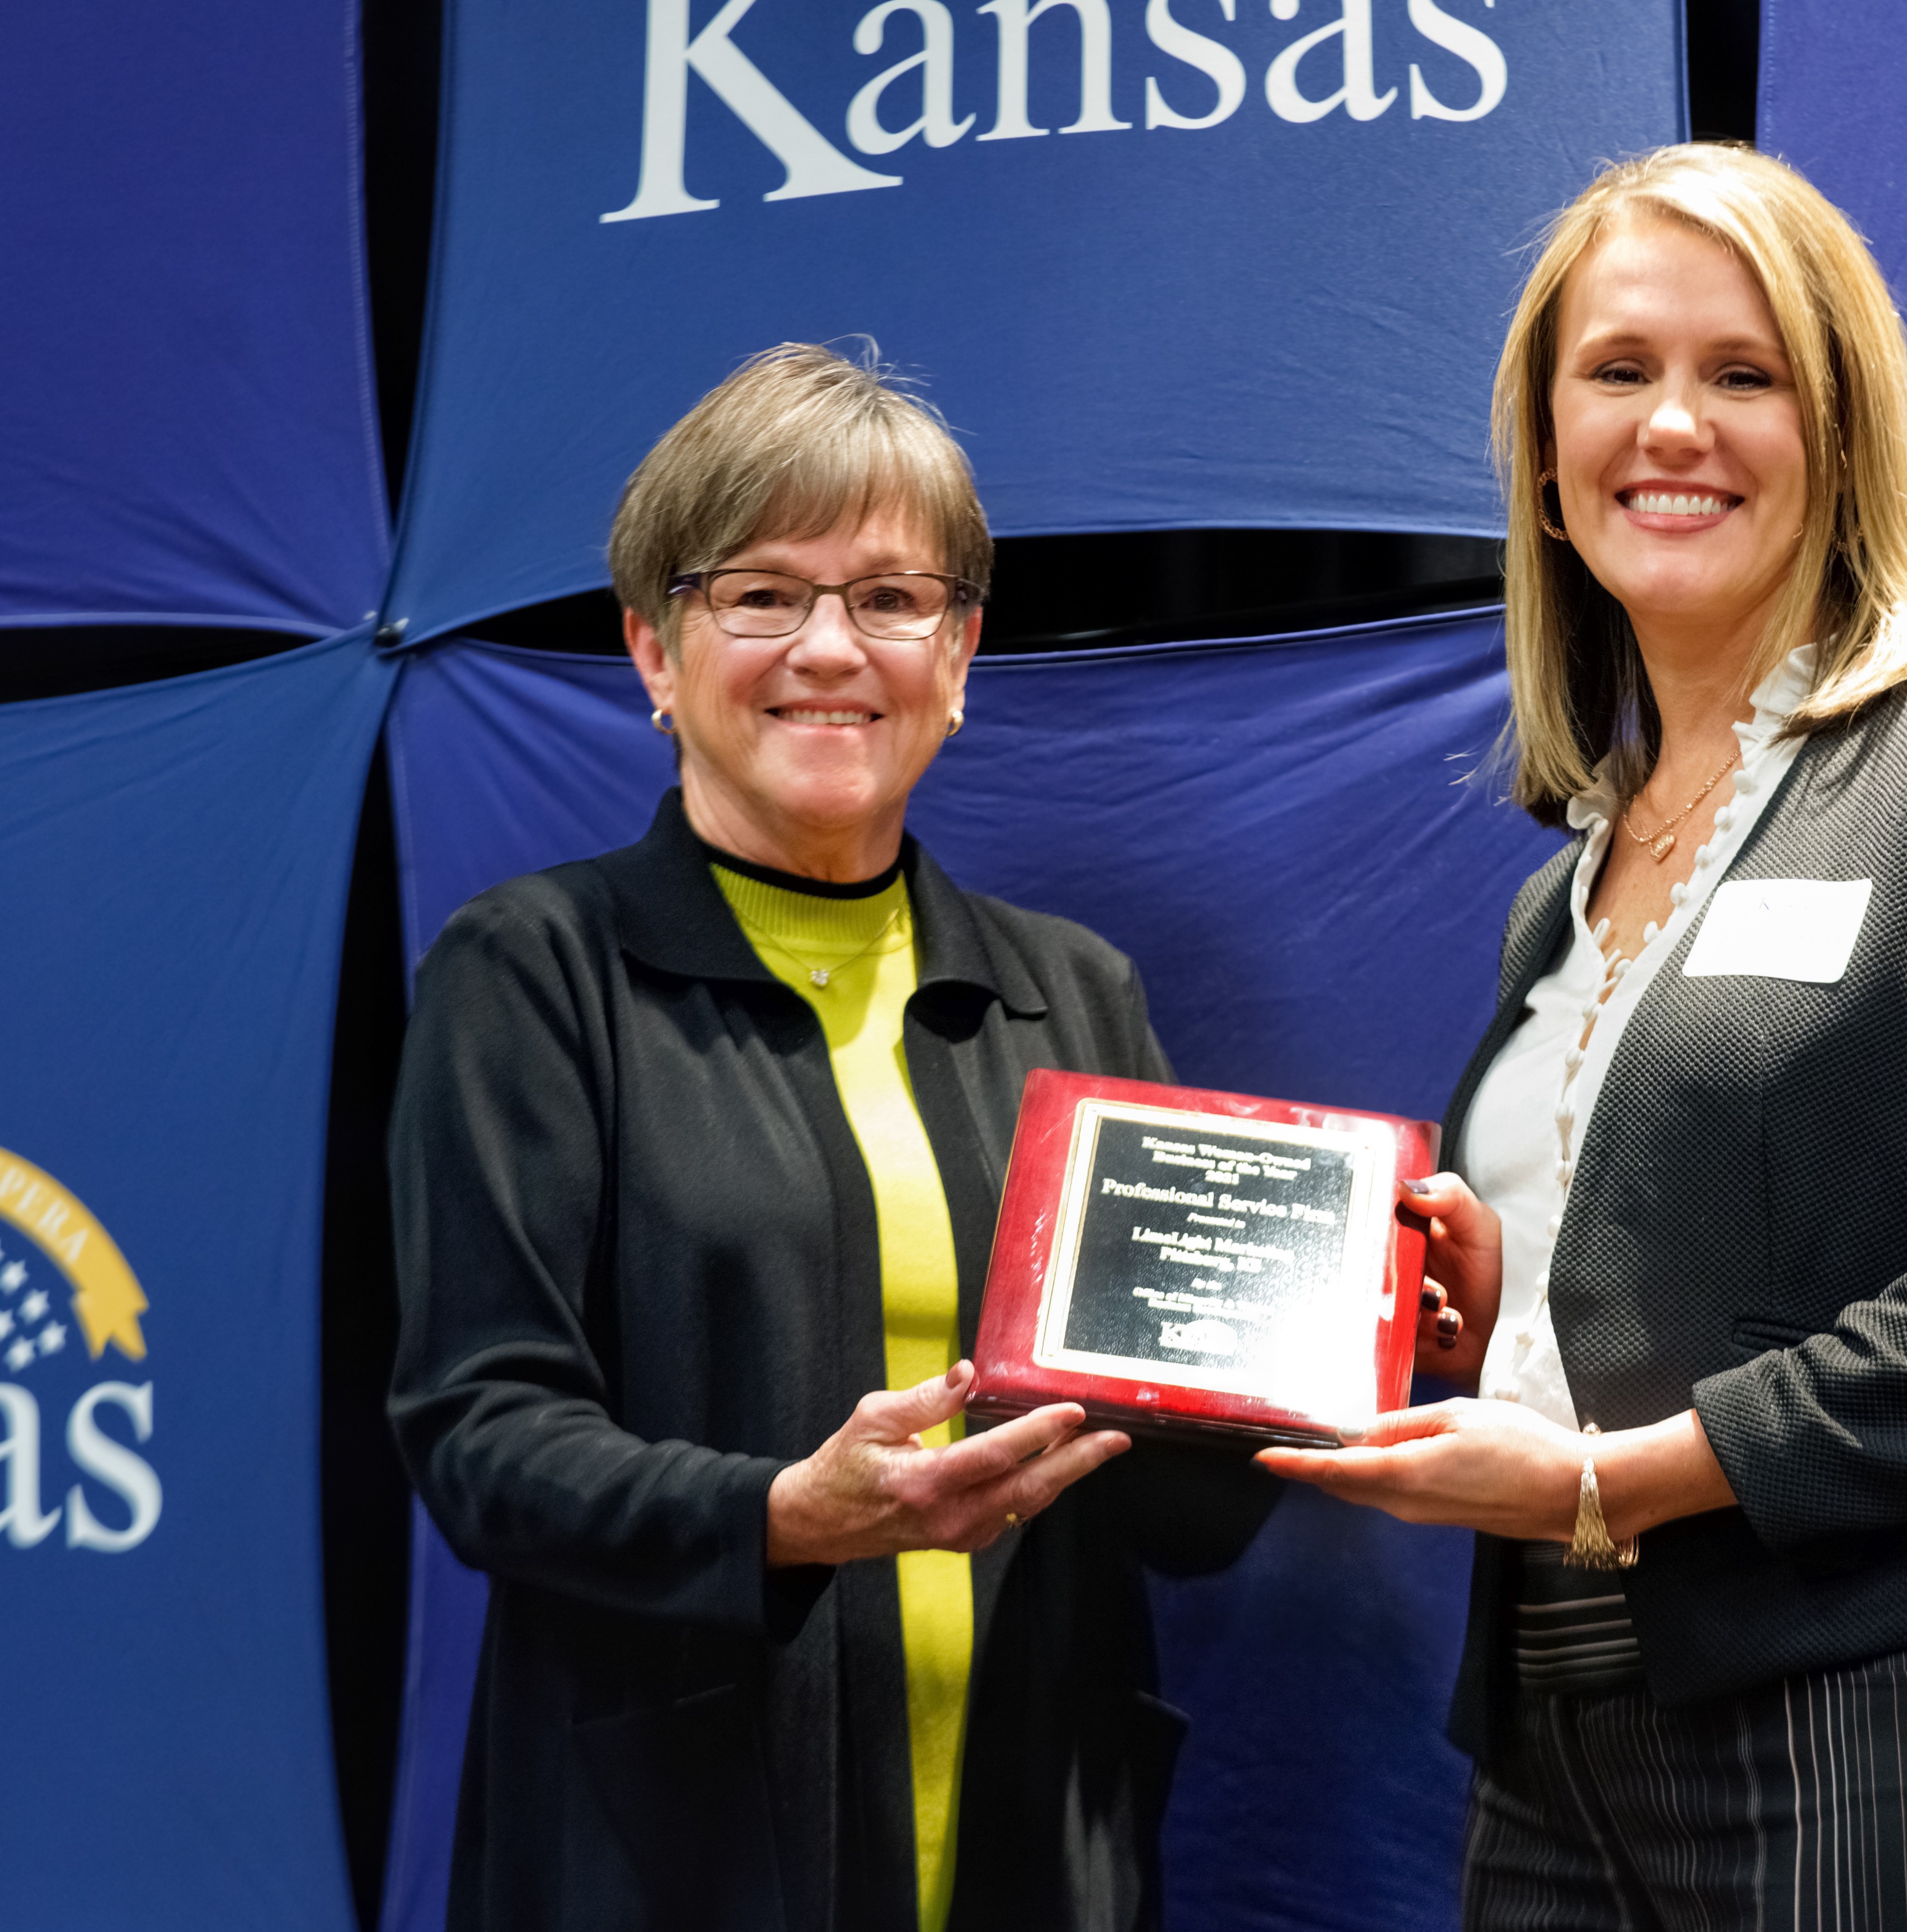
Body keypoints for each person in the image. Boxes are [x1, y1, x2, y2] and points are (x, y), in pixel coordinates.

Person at [1258, 145, 1907, 1929]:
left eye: (1741, 375)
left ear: (1839, 436)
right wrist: (1492, 1307)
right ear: (1543, 451)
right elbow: (1718, 1245)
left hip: (1882, 1712)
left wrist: (1603, 1485)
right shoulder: (1576, 878)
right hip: (1551, 1729)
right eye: (1618, 372)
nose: (1671, 426)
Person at [390, 343, 1275, 1932]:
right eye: (761, 596)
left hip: (1037, 1852)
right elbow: (482, 1440)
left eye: (889, 598)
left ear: (960, 654)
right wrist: (781, 1517)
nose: (828, 649)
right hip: (676, 1863)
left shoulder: (1073, 993)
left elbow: (1185, 1511)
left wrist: (1335, 1348)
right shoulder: (532, 974)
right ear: (654, 651)